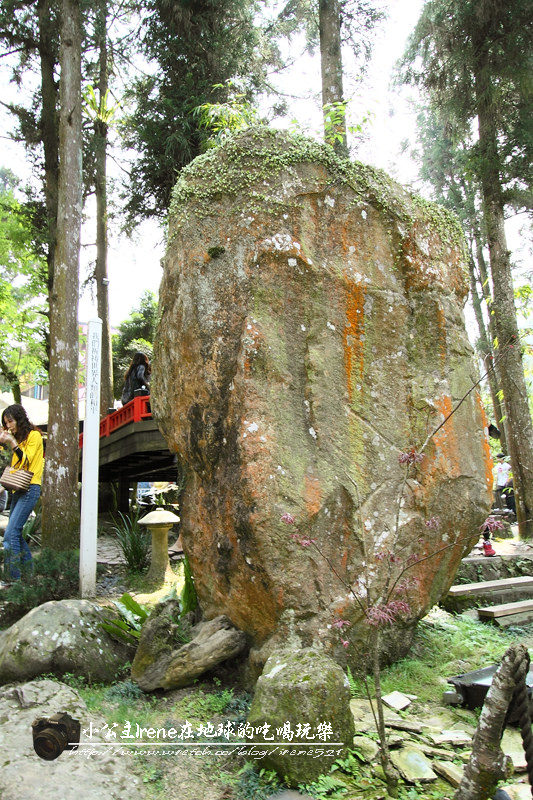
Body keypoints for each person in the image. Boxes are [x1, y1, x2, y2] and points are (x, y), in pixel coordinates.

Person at [0, 403, 44, 584]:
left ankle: (13, 580)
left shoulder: (34, 436)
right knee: (16, 534)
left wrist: (12, 443)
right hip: (18, 490)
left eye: (10, 421)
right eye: (6, 423)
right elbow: (16, 468)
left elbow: (26, 462)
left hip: (31, 489)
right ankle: (30, 575)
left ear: (19, 419)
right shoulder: (20, 440)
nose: (9, 425)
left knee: (10, 535)